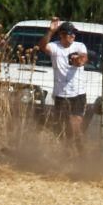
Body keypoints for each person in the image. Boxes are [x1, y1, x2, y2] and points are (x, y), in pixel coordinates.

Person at [38, 18, 88, 153]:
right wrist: (50, 31)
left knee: (74, 125)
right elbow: (42, 47)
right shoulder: (55, 47)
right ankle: (68, 155)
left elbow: (83, 60)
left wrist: (77, 60)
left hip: (78, 94)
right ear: (61, 35)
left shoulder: (79, 46)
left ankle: (82, 154)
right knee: (63, 129)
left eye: (74, 33)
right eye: (70, 33)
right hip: (61, 95)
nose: (73, 35)